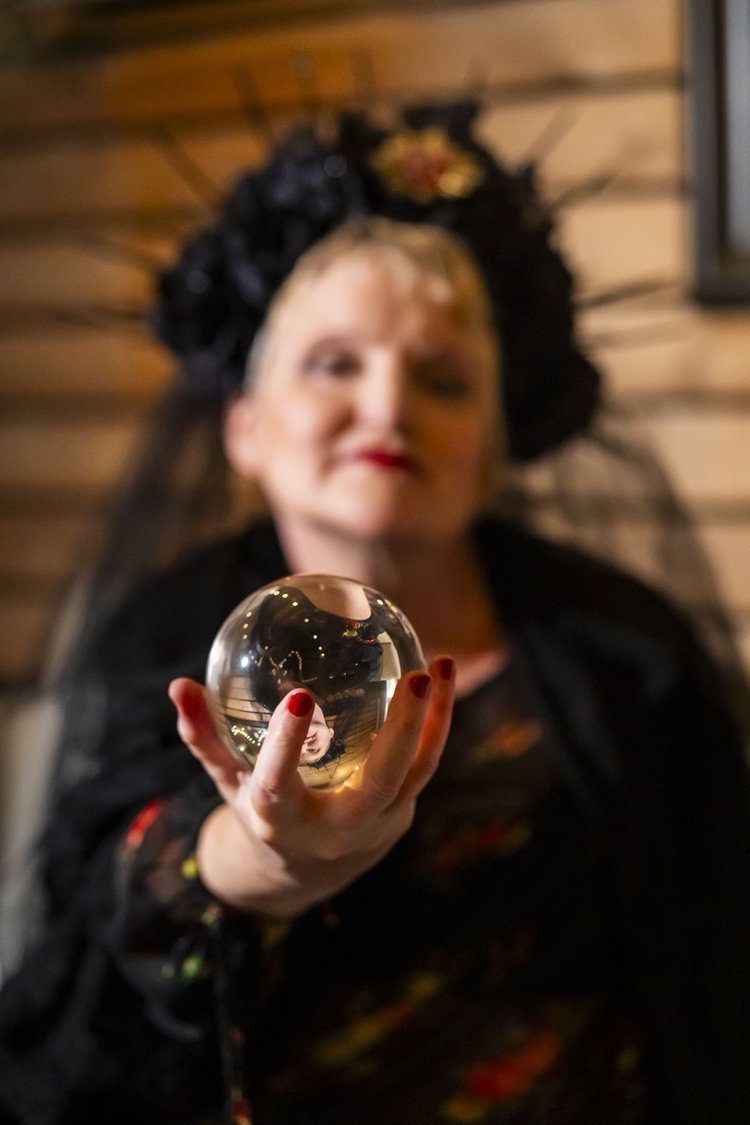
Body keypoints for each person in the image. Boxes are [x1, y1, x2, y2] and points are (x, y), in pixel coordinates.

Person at [1, 103, 749, 1125]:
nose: (391, 409)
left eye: (443, 380)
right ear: (247, 426)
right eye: (334, 363)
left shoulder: (626, 650)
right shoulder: (165, 639)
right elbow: (122, 898)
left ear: (494, 446)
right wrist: (269, 857)